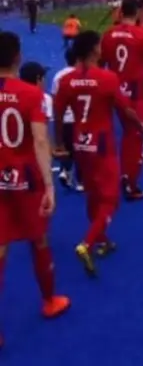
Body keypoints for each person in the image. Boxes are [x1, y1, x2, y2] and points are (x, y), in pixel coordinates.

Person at [0, 32, 71, 345]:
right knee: (38, 239)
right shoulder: (30, 95)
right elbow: (41, 140)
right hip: (25, 179)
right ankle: (49, 300)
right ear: (17, 57)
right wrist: (50, 186)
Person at [53, 31, 142, 276]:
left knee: (92, 194)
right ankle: (87, 242)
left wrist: (59, 142)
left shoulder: (67, 81)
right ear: (93, 49)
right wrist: (139, 126)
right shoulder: (107, 78)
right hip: (102, 144)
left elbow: (58, 114)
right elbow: (126, 109)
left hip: (80, 143)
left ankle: (102, 239)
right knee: (111, 199)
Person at [100, 0, 143, 201]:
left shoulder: (108, 35)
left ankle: (121, 177)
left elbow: (101, 63)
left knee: (126, 133)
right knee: (135, 135)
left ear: (120, 12)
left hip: (114, 91)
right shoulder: (142, 35)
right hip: (136, 94)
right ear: (136, 13)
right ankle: (130, 182)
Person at [50, 50, 82, 191]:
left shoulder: (58, 76)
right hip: (77, 117)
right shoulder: (80, 76)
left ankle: (65, 171)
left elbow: (54, 96)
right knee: (80, 149)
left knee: (66, 147)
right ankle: (80, 181)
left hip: (63, 118)